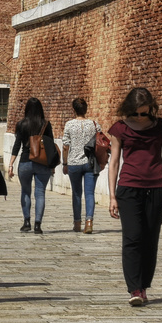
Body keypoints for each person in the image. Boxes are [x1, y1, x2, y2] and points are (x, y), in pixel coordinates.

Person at [107, 86, 162, 307]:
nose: (139, 117)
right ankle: (134, 288)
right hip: (128, 188)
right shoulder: (119, 128)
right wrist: (112, 196)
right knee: (132, 238)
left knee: (150, 239)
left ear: (151, 109)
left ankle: (144, 286)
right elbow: (114, 162)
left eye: (144, 113)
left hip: (157, 188)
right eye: (135, 113)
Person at [7, 97, 59, 233]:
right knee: (40, 193)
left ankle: (26, 222)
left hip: (25, 161)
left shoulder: (22, 124)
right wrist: (52, 166)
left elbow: (17, 145)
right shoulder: (46, 124)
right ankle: (38, 225)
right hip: (43, 163)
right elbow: (50, 146)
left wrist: (11, 164)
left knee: (25, 191)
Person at [60, 97, 101, 233]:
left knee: (76, 194)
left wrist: (64, 163)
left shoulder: (69, 124)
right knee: (90, 194)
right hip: (90, 163)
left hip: (74, 163)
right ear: (86, 109)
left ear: (74, 110)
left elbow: (65, 146)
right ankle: (89, 222)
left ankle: (77, 223)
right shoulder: (94, 124)